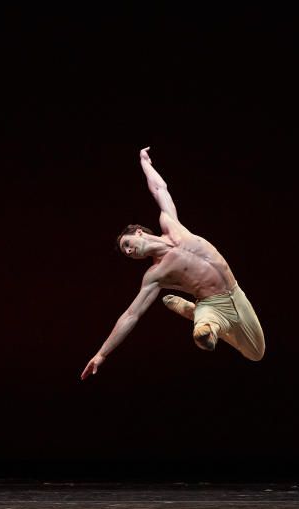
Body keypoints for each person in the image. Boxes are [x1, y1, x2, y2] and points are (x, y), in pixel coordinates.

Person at [81, 148, 265, 380]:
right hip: (212, 303)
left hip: (236, 292)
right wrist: (101, 354)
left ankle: (191, 311)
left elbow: (160, 189)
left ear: (138, 232)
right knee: (204, 337)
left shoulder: (170, 222)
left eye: (128, 243)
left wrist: (144, 162)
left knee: (256, 353)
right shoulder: (156, 274)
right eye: (127, 253)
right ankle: (204, 320)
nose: (129, 250)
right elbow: (131, 315)